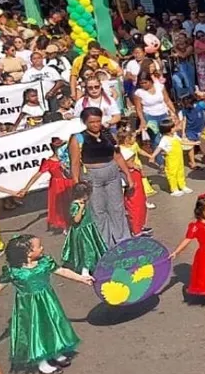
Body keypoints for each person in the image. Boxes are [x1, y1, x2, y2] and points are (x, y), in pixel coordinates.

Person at [0, 234, 91, 374]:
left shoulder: (45, 262)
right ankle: (42, 362)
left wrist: (81, 278)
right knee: (36, 331)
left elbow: (62, 271)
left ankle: (55, 351)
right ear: (28, 253)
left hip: (48, 302)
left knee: (53, 325)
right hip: (29, 307)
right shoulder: (13, 272)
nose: (42, 248)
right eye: (38, 246)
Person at [69, 107, 133, 248]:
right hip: (92, 176)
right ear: (85, 122)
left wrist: (128, 175)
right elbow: (74, 163)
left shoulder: (108, 135)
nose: (96, 125)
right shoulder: (78, 138)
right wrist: (77, 186)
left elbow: (117, 156)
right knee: (98, 211)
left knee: (117, 208)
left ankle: (123, 241)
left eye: (98, 121)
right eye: (91, 122)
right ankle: (105, 244)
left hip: (112, 174)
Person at [11, 134, 74, 232]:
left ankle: (73, 222)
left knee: (72, 202)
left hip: (69, 182)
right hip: (57, 185)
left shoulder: (67, 158)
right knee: (61, 205)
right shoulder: (48, 162)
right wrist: (26, 188)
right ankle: (66, 225)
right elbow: (37, 175)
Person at [60, 182, 107, 277]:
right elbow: (76, 220)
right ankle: (85, 270)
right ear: (84, 195)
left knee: (92, 248)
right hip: (82, 232)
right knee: (86, 250)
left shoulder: (84, 202)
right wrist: (81, 209)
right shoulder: (76, 205)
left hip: (89, 228)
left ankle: (94, 266)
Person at [151, 119, 194, 196]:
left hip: (179, 158)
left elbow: (182, 142)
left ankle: (182, 186)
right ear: (168, 130)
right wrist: (153, 156)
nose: (175, 128)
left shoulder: (175, 136)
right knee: (172, 174)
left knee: (180, 171)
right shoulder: (164, 139)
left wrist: (194, 143)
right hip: (171, 160)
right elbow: (159, 148)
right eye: (173, 127)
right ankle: (174, 189)